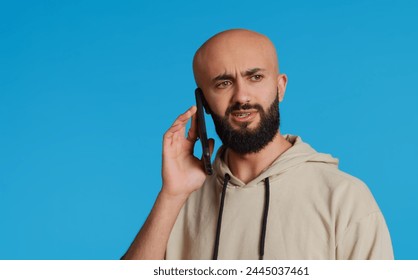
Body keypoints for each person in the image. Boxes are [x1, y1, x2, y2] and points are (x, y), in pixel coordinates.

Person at [122, 29, 394, 260]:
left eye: (255, 77)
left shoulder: (345, 198)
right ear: (203, 101)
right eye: (224, 83)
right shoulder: (181, 197)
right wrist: (171, 196)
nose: (242, 96)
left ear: (280, 87)